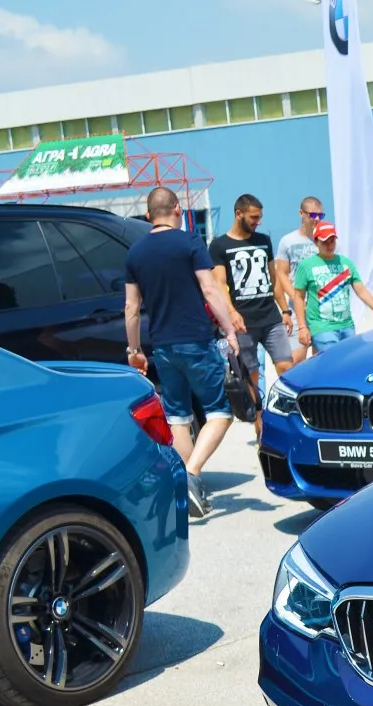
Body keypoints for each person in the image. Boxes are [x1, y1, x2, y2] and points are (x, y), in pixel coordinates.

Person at [124, 187, 240, 519]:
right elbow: (209, 288)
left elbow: (131, 308)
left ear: (148, 216)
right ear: (177, 209)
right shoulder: (190, 242)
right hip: (196, 341)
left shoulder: (135, 253)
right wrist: (229, 329)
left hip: (162, 346)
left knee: (178, 418)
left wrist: (134, 350)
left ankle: (186, 489)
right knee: (220, 412)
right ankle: (192, 474)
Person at [209, 193, 291, 440]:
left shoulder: (264, 241)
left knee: (286, 366)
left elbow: (273, 279)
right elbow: (219, 284)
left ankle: (287, 415)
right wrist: (232, 313)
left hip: (270, 316)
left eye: (260, 217)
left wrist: (285, 310)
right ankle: (260, 419)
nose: (258, 222)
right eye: (254, 217)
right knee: (252, 375)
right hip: (242, 322)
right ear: (239, 213)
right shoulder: (219, 245)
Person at [289, 222, 373, 355]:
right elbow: (299, 297)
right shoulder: (306, 266)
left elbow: (361, 290)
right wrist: (302, 327)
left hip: (347, 326)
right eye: (325, 242)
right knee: (333, 360)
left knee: (348, 363)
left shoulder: (345, 263)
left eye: (332, 241)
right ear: (316, 242)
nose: (329, 245)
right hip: (322, 327)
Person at [275, 196, 324, 362]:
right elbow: (281, 273)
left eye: (320, 215)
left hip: (321, 307)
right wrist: (296, 299)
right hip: (297, 308)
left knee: (321, 357)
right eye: (312, 215)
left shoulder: (325, 240)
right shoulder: (288, 241)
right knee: (296, 358)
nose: (316, 219)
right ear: (301, 213)